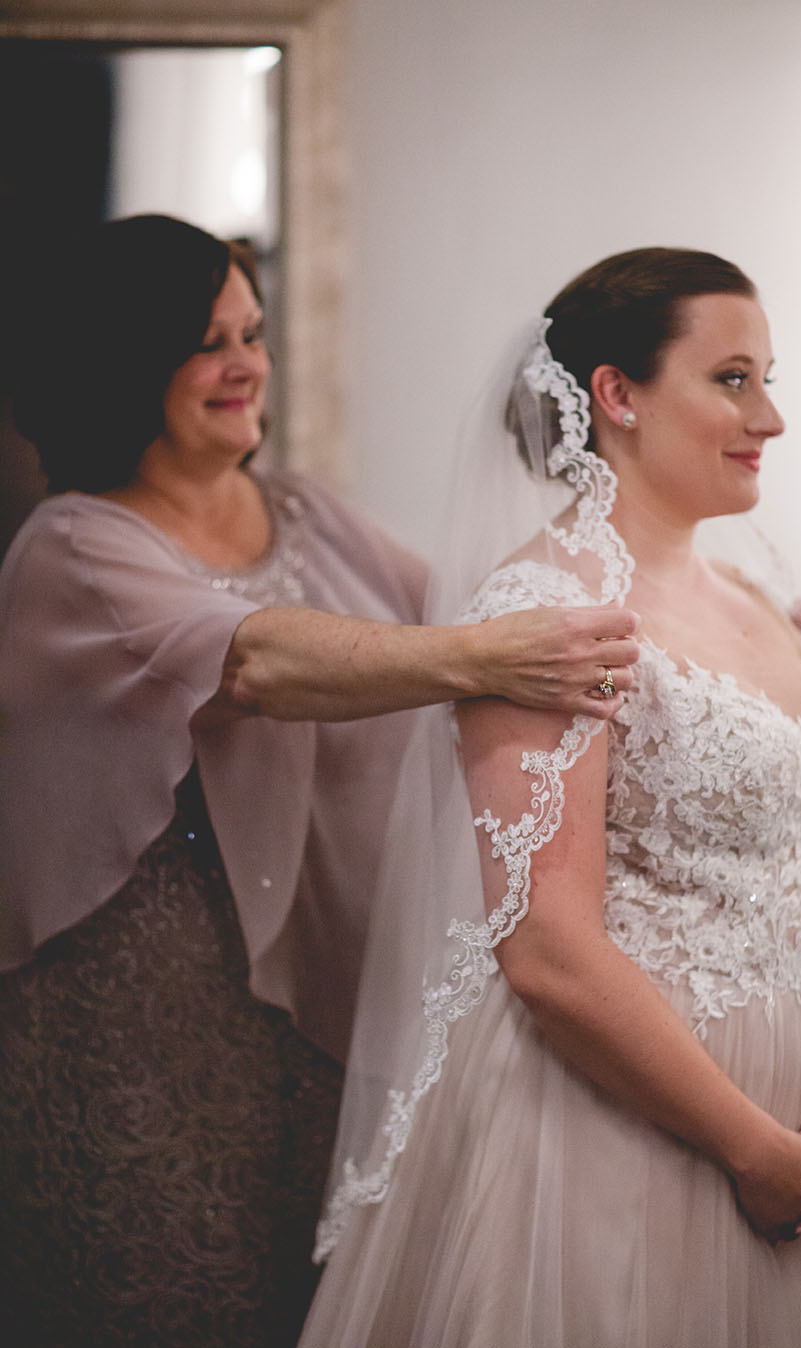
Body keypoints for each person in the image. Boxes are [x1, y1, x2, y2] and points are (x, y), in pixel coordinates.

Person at [0, 214, 644, 1348]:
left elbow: (483, 596)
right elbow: (255, 659)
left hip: (321, 984)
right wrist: (481, 659)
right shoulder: (71, 547)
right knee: (163, 1289)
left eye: (251, 332)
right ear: (120, 359)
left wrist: (740, 631)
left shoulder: (301, 507)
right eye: (206, 341)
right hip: (146, 1010)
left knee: (307, 1287)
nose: (245, 364)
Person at [299, 248, 801, 1347]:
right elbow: (545, 953)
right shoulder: (544, 610)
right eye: (729, 379)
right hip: (618, 1131)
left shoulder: (758, 593)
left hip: (787, 1125)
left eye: (768, 378)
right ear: (616, 395)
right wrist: (745, 1146)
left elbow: (789, 852)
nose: (767, 416)